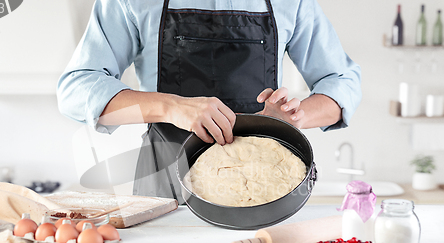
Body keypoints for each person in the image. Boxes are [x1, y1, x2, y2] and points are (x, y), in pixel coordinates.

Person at [57, 0, 361, 202]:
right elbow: (76, 88)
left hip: (263, 191)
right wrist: (171, 106)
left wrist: (296, 116)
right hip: (166, 190)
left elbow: (343, 82)